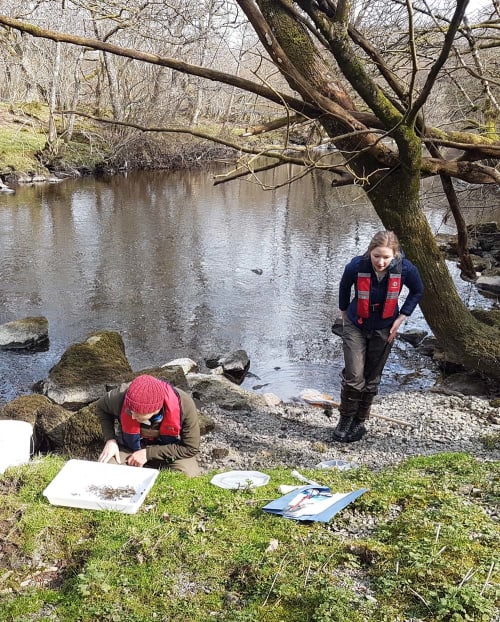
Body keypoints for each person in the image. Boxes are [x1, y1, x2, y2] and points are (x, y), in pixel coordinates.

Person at [333, 230, 424, 443]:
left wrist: (402, 317)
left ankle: (359, 421)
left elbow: (418, 290)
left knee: (372, 378)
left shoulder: (406, 269)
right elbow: (344, 286)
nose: (381, 262)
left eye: (386, 257)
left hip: (385, 327)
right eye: (376, 256)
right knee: (355, 376)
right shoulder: (356, 266)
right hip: (356, 324)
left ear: (395, 255)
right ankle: (345, 419)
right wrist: (344, 311)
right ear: (369, 252)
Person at [96, 374, 201, 477]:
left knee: (188, 475)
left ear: (156, 409)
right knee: (106, 469)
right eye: (129, 411)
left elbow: (190, 448)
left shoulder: (184, 404)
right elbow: (101, 407)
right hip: (130, 448)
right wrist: (110, 439)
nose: (132, 417)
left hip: (168, 450)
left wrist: (148, 454)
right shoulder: (120, 396)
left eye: (137, 414)